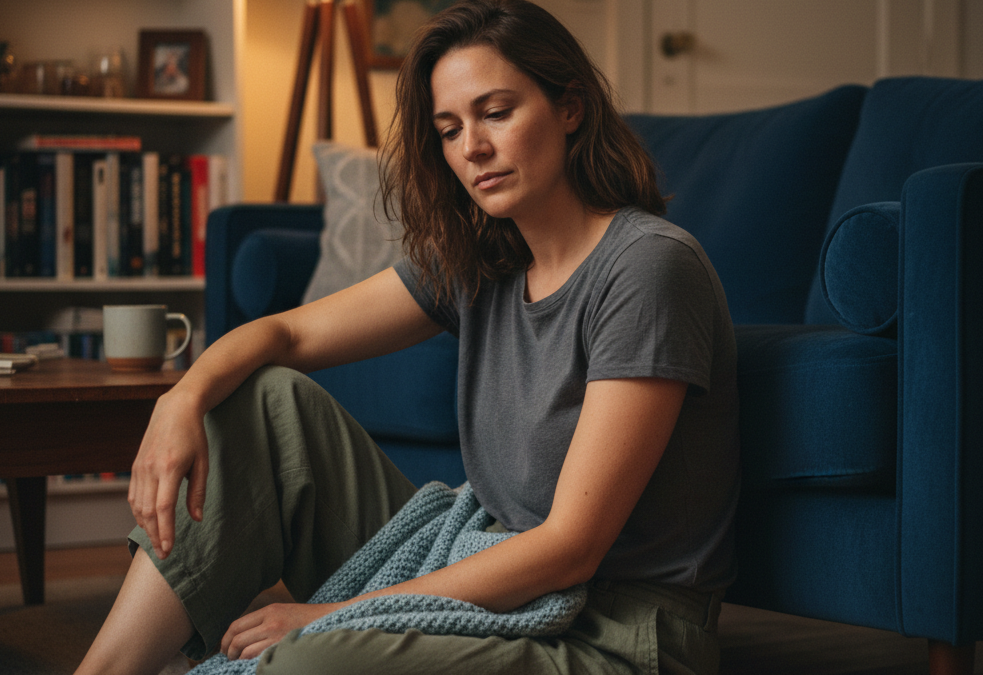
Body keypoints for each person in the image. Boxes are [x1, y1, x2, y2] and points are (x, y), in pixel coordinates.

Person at [75, 1, 739, 673]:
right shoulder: (484, 260)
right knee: (263, 399)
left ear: (571, 108)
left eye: (496, 113)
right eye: (450, 129)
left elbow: (571, 548)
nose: (471, 148)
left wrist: (331, 616)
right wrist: (180, 400)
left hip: (615, 631)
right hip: (488, 563)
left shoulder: (647, 266)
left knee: (309, 662)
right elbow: (286, 333)